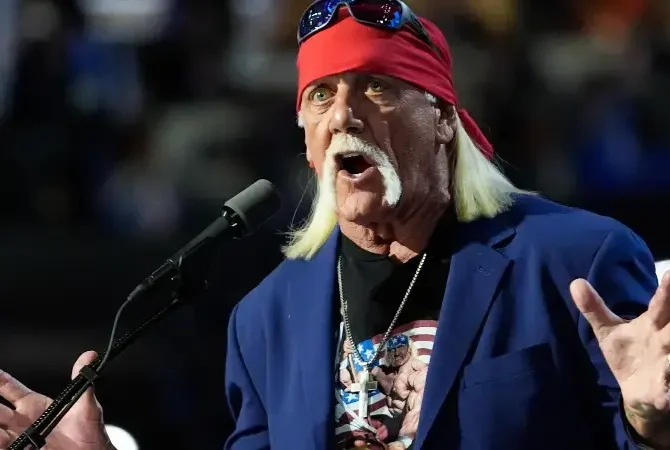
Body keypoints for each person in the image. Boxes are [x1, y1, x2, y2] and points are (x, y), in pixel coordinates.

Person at [1, 1, 670, 449]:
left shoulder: (577, 260)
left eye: (376, 86)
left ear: (443, 119)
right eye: (320, 94)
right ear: (306, 137)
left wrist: (650, 423)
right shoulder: (266, 320)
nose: (343, 115)